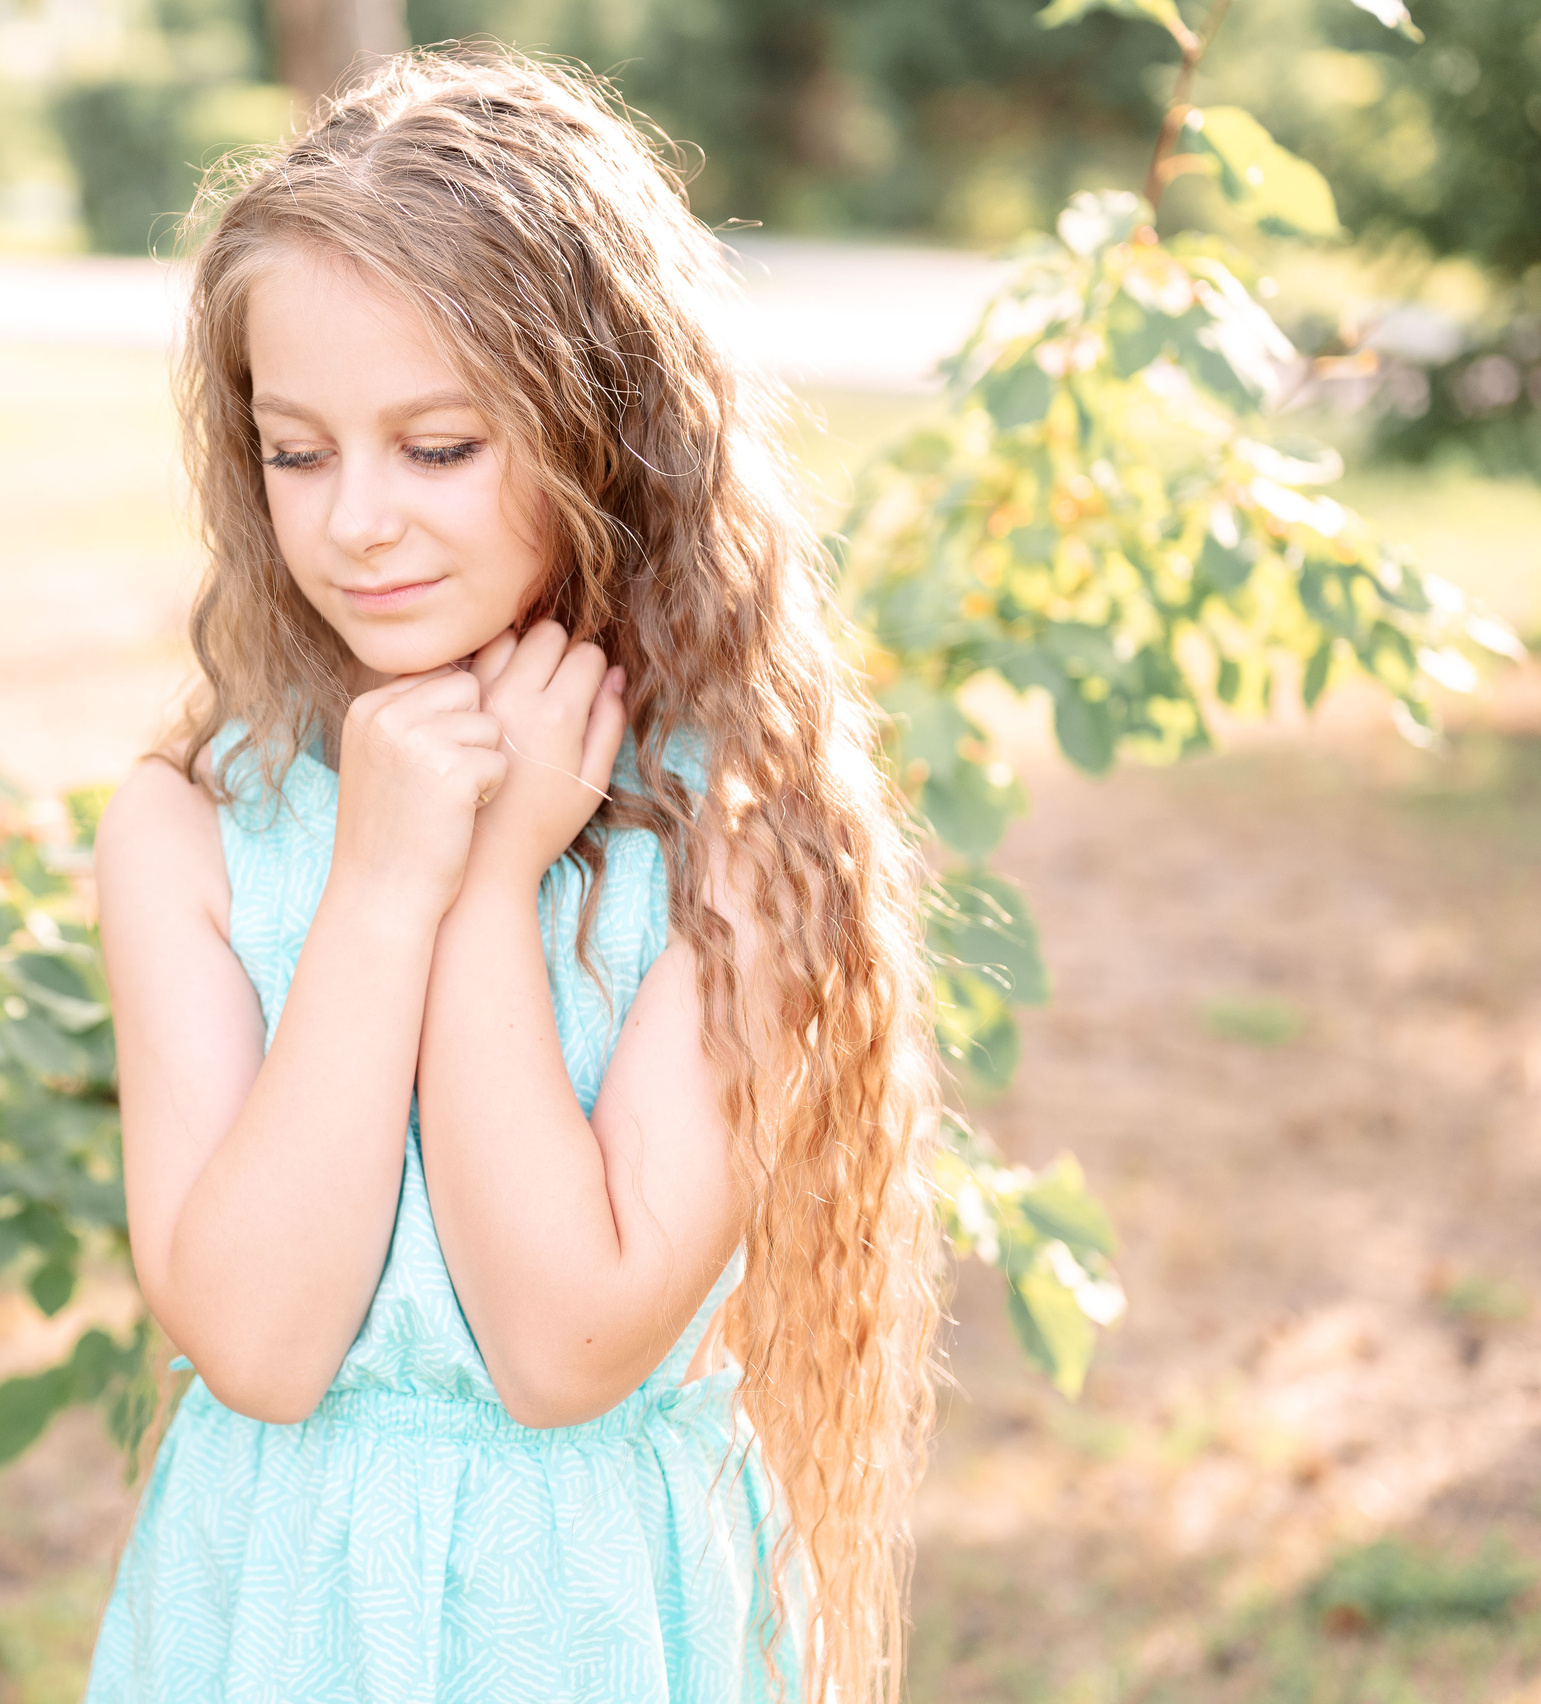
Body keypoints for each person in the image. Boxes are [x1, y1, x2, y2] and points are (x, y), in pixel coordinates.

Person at [85, 44, 942, 1704]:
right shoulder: (188, 829)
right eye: (297, 451)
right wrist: (382, 885)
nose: (354, 525)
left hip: (600, 1625)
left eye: (439, 446)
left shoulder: (732, 837)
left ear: (602, 435)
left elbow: (563, 1348)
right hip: (270, 1621)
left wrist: (483, 899)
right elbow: (257, 1349)